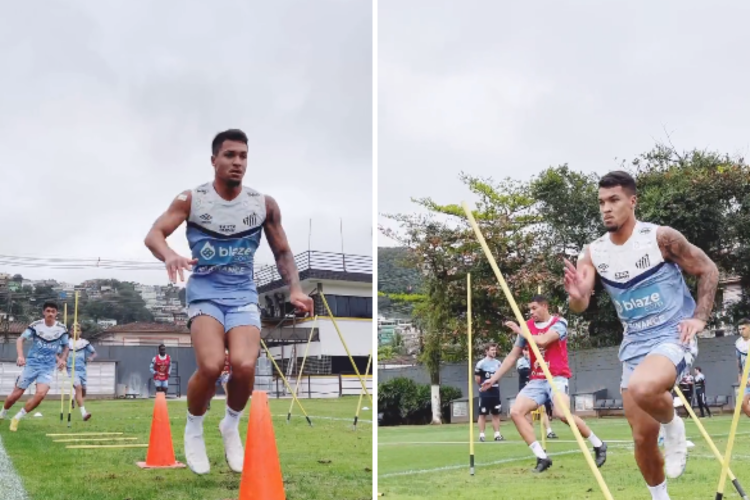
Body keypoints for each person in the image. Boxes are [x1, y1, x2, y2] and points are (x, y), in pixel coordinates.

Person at [144, 129, 313, 475]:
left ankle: (230, 424)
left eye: (243, 156)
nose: (237, 162)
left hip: (242, 295)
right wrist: (170, 255)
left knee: (244, 365)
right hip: (205, 291)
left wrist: (295, 288)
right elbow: (154, 234)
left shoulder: (262, 204)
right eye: (230, 155)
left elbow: (282, 251)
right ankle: (193, 427)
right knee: (210, 365)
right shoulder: (192, 199)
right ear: (214, 161)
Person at [563, 171, 719, 500]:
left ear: (632, 201)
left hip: (673, 334)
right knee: (642, 439)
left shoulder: (660, 238)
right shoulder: (593, 252)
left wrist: (700, 318)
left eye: (614, 200)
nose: (606, 208)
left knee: (644, 387)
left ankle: (673, 425)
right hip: (634, 345)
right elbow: (581, 302)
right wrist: (577, 295)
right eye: (602, 202)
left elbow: (708, 268)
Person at [481, 295, 607, 473]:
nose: (531, 312)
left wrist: (519, 330)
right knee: (516, 412)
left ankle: (598, 444)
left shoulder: (559, 323)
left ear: (545, 306)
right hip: (537, 380)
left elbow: (543, 340)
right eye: (529, 309)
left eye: (534, 308)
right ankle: (542, 457)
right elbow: (512, 356)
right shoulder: (527, 327)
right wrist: (494, 378)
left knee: (562, 414)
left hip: (557, 377)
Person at [0, 301, 69, 431]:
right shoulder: (35, 326)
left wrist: (62, 360)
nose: (50, 314)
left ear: (56, 314)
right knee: (16, 394)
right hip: (32, 364)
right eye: (48, 311)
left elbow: (66, 347)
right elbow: (20, 339)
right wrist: (20, 356)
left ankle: (17, 418)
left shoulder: (62, 329)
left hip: (47, 367)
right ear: (44, 312)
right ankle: (3, 413)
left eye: (53, 311)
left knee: (41, 394)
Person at [517, 347, 557, 439]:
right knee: (527, 411)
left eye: (528, 350)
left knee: (542, 409)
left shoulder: (537, 358)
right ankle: (530, 431)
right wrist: (535, 367)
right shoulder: (521, 361)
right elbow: (523, 372)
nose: (526, 352)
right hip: (526, 386)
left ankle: (549, 431)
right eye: (525, 350)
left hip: (537, 386)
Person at [66, 324, 96, 421]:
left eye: (78, 330)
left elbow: (93, 352)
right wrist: (61, 361)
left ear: (80, 332)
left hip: (82, 369)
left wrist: (91, 357)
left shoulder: (84, 342)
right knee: (78, 387)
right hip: (71, 369)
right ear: (70, 332)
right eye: (74, 330)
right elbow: (57, 353)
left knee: (83, 392)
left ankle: (74, 399)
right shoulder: (67, 343)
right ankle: (84, 414)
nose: (76, 332)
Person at [474, 343, 504, 442]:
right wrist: (484, 387)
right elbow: (477, 379)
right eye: (492, 350)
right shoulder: (481, 364)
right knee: (483, 413)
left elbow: (499, 377)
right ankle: (482, 435)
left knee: (496, 413)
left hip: (495, 391)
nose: (494, 352)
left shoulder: (498, 363)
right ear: (486, 351)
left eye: (495, 350)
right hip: (485, 392)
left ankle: (497, 434)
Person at [735, 318, 750, 418]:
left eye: (743, 328)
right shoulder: (738, 343)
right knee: (743, 404)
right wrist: (740, 374)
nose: (741, 331)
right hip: (746, 376)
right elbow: (738, 360)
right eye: (739, 329)